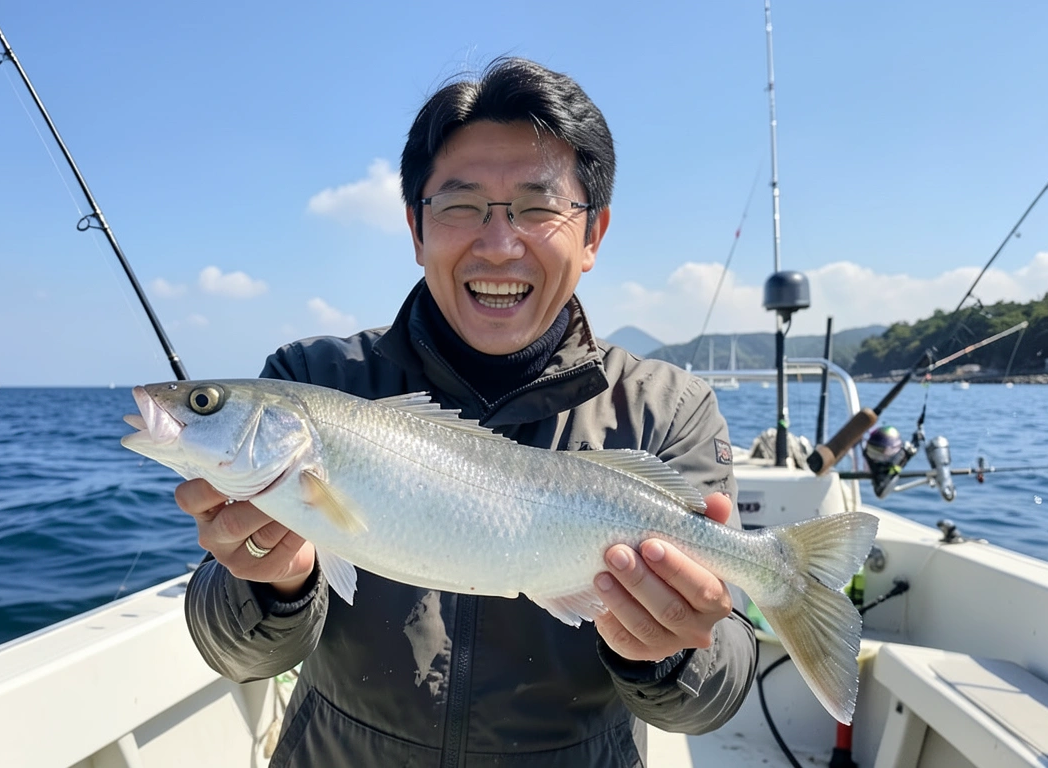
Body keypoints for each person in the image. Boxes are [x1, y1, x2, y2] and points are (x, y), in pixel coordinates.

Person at [174, 57, 756, 767]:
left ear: (594, 234)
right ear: (417, 229)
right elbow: (233, 654)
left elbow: (714, 695)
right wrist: (275, 583)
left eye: (539, 207)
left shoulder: (669, 412)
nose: (499, 243)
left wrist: (664, 654)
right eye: (459, 205)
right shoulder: (312, 379)